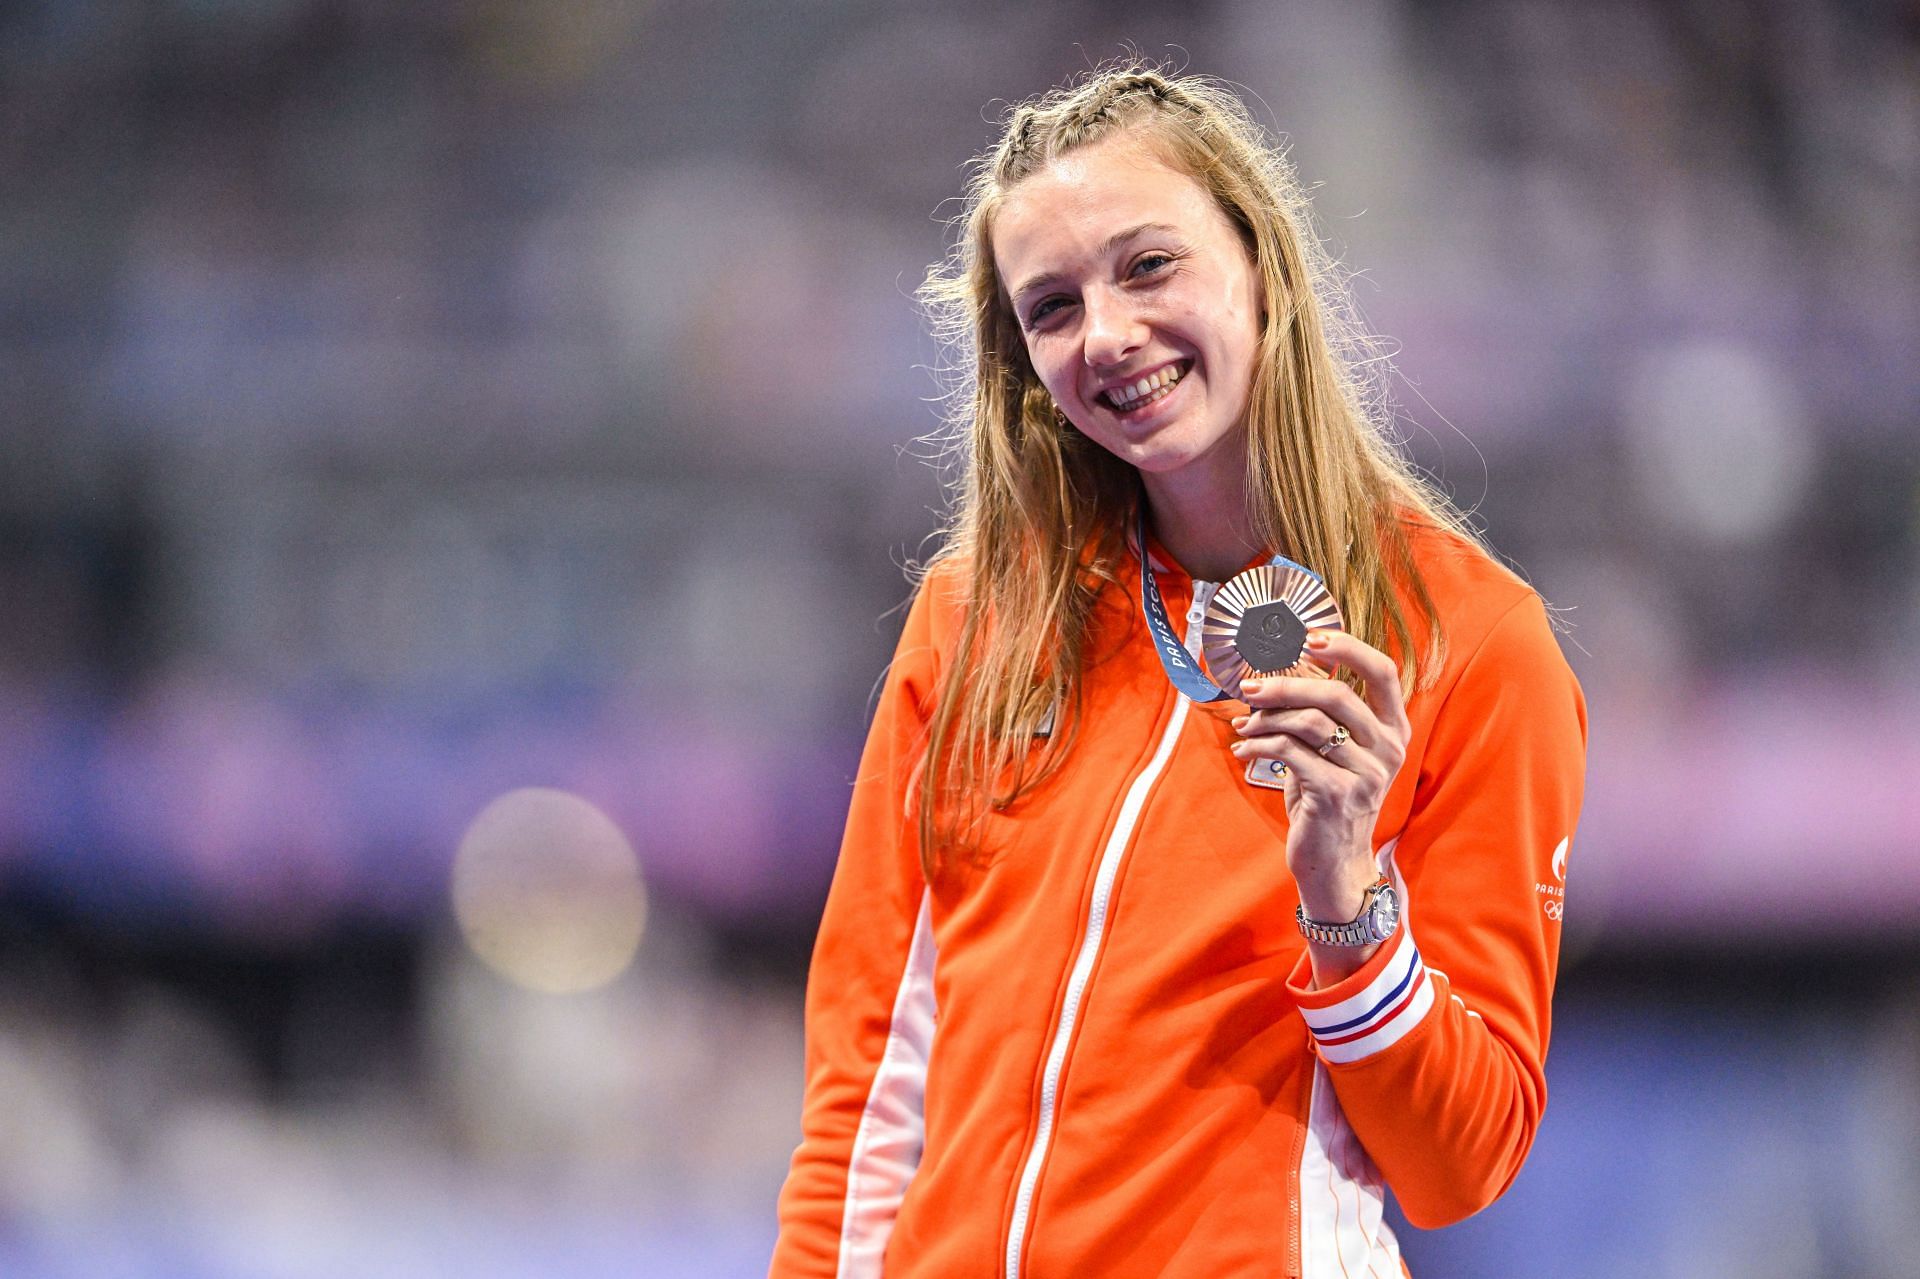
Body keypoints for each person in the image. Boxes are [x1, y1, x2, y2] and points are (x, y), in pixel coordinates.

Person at [770, 64, 1586, 1278]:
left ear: (1262, 265)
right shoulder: (977, 617)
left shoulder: (1472, 640)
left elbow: (1461, 1164)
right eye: (1051, 307)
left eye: (1149, 265)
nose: (1105, 334)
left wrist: (1347, 904)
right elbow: (870, 1073)